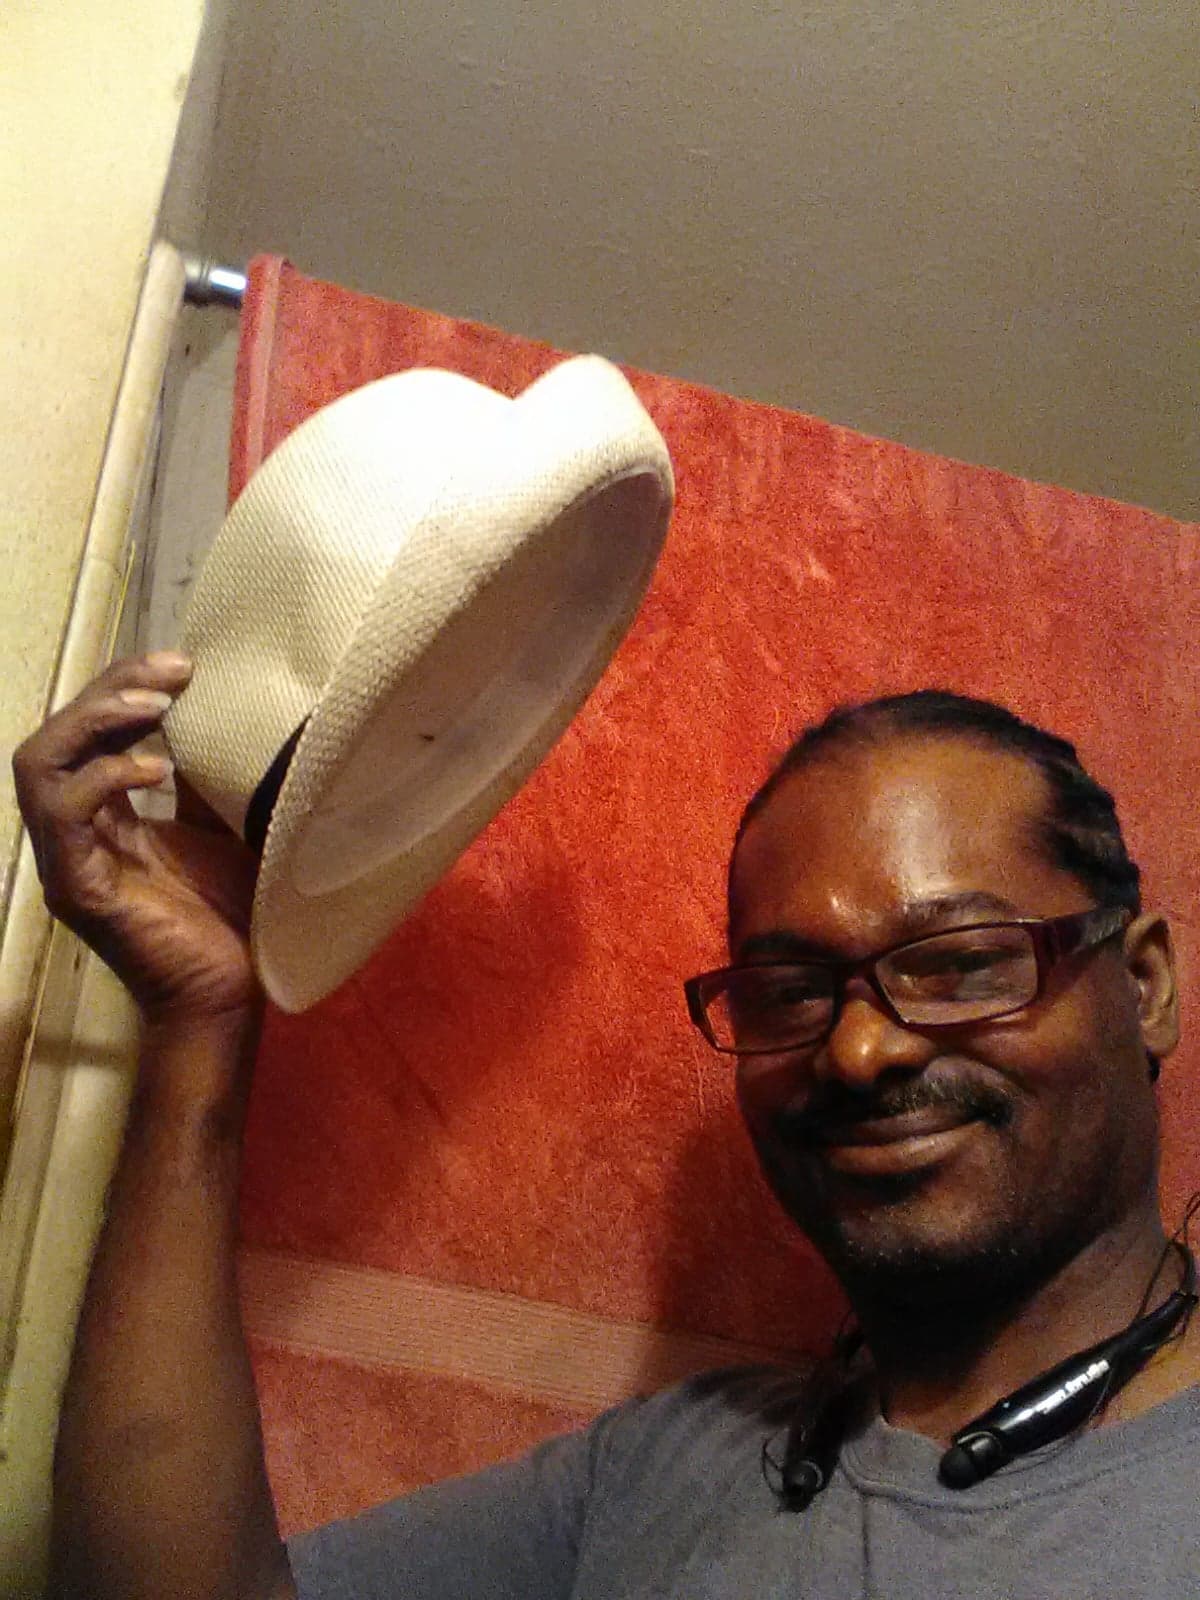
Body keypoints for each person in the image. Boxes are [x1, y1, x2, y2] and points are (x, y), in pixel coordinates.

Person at [13, 652, 1200, 1600]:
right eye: (787, 990)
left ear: (1144, 985)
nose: (858, 1050)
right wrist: (200, 1019)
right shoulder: (667, 1469)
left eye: (956, 963)